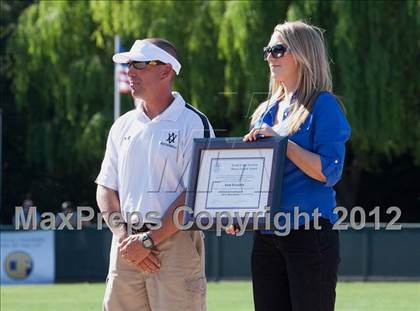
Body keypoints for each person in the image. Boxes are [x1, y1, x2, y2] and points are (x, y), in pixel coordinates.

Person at [226, 21, 351, 311]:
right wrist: (238, 211)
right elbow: (257, 177)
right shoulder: (265, 111)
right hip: (267, 238)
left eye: (278, 50)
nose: (270, 56)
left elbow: (328, 171)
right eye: (267, 50)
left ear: (303, 54)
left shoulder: (324, 105)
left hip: (309, 234)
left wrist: (282, 143)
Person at [96, 38, 214, 311]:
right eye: (129, 65)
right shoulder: (122, 125)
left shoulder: (193, 122)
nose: (131, 71)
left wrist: (149, 240)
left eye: (140, 64)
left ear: (166, 71)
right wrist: (123, 237)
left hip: (176, 244)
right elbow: (105, 188)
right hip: (125, 245)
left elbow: (196, 193)